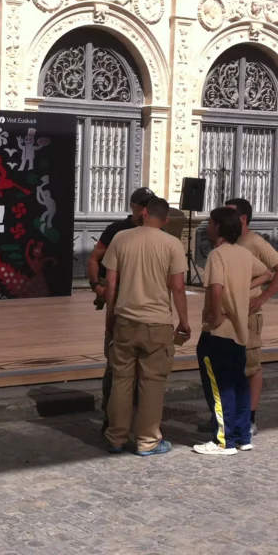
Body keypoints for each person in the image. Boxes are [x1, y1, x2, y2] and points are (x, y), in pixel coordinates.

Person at [101, 197, 190, 456]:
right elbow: (178, 287)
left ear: (142, 213)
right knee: (152, 383)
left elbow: (111, 284)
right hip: (157, 322)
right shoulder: (172, 244)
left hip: (126, 320)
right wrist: (183, 320)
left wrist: (110, 317)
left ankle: (116, 437)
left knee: (121, 380)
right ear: (165, 220)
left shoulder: (121, 239)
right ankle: (147, 441)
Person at [193, 207, 271, 457]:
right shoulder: (243, 253)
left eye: (211, 223)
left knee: (219, 387)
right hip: (240, 330)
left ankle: (222, 441)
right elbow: (266, 273)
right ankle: (242, 436)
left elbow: (215, 289)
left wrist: (216, 316)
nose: (208, 226)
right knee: (239, 384)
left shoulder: (217, 255)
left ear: (219, 227)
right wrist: (239, 290)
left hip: (219, 332)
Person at [86, 186, 154, 429]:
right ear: (132, 206)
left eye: (149, 204)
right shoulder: (117, 230)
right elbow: (94, 258)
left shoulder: (157, 231)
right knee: (115, 364)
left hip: (146, 307)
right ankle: (110, 417)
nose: (145, 209)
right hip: (119, 304)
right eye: (141, 204)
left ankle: (136, 419)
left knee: (144, 369)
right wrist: (96, 286)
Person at [225, 198, 278, 437]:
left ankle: (250, 418)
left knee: (251, 365)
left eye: (229, 214)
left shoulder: (254, 242)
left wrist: (262, 298)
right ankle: (229, 414)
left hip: (248, 314)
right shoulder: (230, 242)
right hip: (229, 315)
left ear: (243, 219)